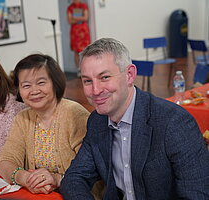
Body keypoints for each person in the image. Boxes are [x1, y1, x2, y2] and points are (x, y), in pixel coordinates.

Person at [60, 38, 209, 199]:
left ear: (130, 75)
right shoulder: (97, 121)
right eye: (87, 81)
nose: (95, 90)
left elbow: (196, 194)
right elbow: (74, 178)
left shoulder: (174, 123)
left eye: (104, 77)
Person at [0, 54, 90, 194]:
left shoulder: (74, 114)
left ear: (55, 83)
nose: (34, 91)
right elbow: (4, 160)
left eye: (41, 83)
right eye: (26, 85)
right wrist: (24, 177)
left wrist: (57, 179)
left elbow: (90, 170)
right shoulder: (23, 118)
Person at [67, 0, 91, 77]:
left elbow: (86, 17)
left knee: (86, 51)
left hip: (83, 31)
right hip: (75, 33)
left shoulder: (83, 6)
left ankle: (87, 69)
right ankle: (79, 70)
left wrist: (75, 18)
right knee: (76, 52)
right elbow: (70, 20)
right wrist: (81, 18)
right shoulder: (70, 7)